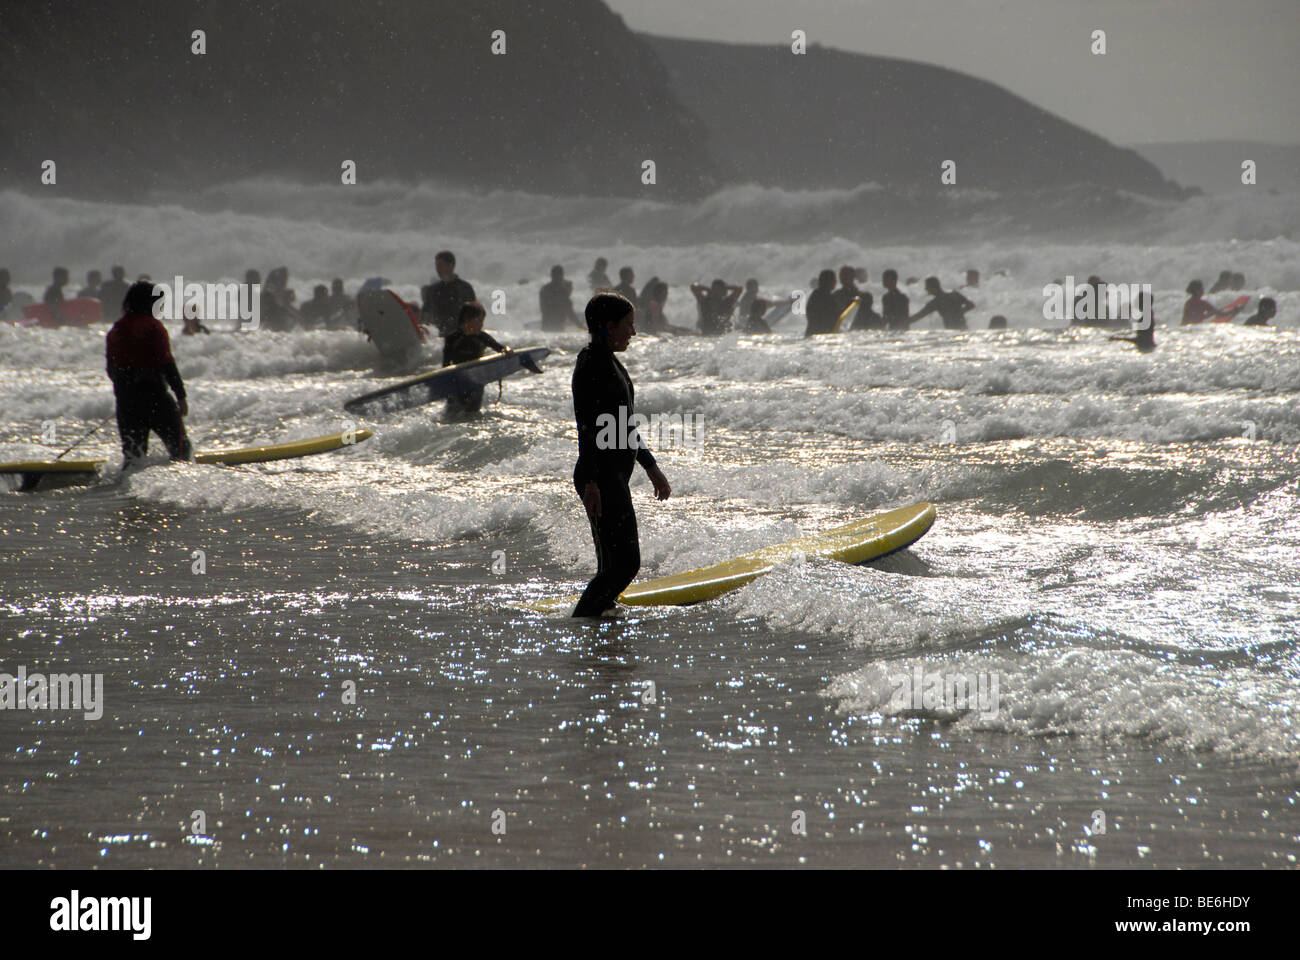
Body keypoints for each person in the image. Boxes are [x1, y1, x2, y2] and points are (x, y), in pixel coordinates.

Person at [571, 292, 671, 618]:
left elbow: (623, 426)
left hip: (611, 475)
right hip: (600, 476)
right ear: (609, 325)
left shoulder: (609, 361)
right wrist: (591, 481)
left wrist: (650, 467)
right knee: (626, 565)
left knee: (612, 565)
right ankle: (582, 623)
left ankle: (600, 630)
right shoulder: (591, 365)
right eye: (628, 325)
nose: (634, 331)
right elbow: (587, 427)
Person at [105, 281, 194, 465]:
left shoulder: (116, 329)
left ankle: (123, 492)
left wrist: (126, 396)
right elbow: (167, 364)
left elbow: (111, 370)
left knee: (133, 458)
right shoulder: (153, 327)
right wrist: (181, 396)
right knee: (181, 451)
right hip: (156, 400)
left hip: (127, 402)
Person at [442, 301, 511, 418]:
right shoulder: (452, 338)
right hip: (456, 381)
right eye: (479, 321)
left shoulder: (482, 337)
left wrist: (507, 350)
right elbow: (445, 364)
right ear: (467, 319)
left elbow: (500, 347)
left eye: (482, 321)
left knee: (472, 414)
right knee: (452, 414)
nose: (482, 325)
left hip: (476, 382)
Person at [421, 250, 476, 338]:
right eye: (436, 266)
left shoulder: (465, 288)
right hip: (439, 336)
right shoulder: (432, 290)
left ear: (451, 266)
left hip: (461, 335)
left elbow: (475, 313)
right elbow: (425, 314)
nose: (437, 269)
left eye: (440, 265)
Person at [539, 265, 578, 331]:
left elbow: (544, 309)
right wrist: (581, 326)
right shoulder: (561, 291)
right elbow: (569, 312)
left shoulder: (545, 289)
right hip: (557, 327)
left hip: (545, 326)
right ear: (561, 275)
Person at [803, 270, 839, 336]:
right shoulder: (825, 296)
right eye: (834, 279)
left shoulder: (816, 294)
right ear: (828, 281)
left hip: (812, 332)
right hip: (821, 333)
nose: (836, 282)